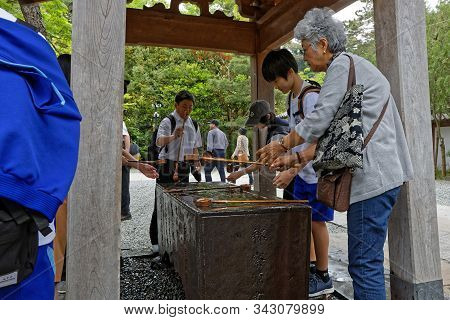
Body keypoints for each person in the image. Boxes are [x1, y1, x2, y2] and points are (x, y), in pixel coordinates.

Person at [257, 7, 414, 300]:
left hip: (373, 179)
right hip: (381, 175)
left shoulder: (342, 66)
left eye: (305, 49)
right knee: (365, 262)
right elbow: (333, 135)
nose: (305, 57)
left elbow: (319, 121)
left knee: (364, 265)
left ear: (323, 44)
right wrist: (294, 160)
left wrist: (284, 144)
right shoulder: (356, 66)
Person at [0, 9, 82, 299]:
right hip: (25, 200)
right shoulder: (27, 42)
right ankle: (59, 271)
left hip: (24, 214)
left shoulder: (23, 39)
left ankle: (59, 271)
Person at [260, 48, 334, 297]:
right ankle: (312, 267)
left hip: (314, 171)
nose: (276, 85)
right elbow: (296, 139)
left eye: (276, 80)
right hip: (302, 171)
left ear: (289, 72)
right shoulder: (292, 97)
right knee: (305, 220)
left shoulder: (310, 96)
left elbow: (318, 141)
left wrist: (293, 168)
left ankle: (323, 274)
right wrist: (284, 160)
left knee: (317, 221)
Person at [150, 90, 202, 254]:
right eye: (184, 106)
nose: (187, 110)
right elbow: (159, 141)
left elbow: (195, 146)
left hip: (184, 165)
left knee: (183, 203)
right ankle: (156, 242)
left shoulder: (193, 123)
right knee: (161, 203)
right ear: (176, 105)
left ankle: (178, 241)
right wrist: (173, 136)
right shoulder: (168, 121)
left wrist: (196, 162)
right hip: (168, 166)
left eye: (190, 107)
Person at [227, 100, 293, 200]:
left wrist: (240, 173)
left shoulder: (278, 132)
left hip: (296, 175)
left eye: (257, 122)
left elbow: (264, 160)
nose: (256, 126)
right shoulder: (276, 125)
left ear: (267, 117)